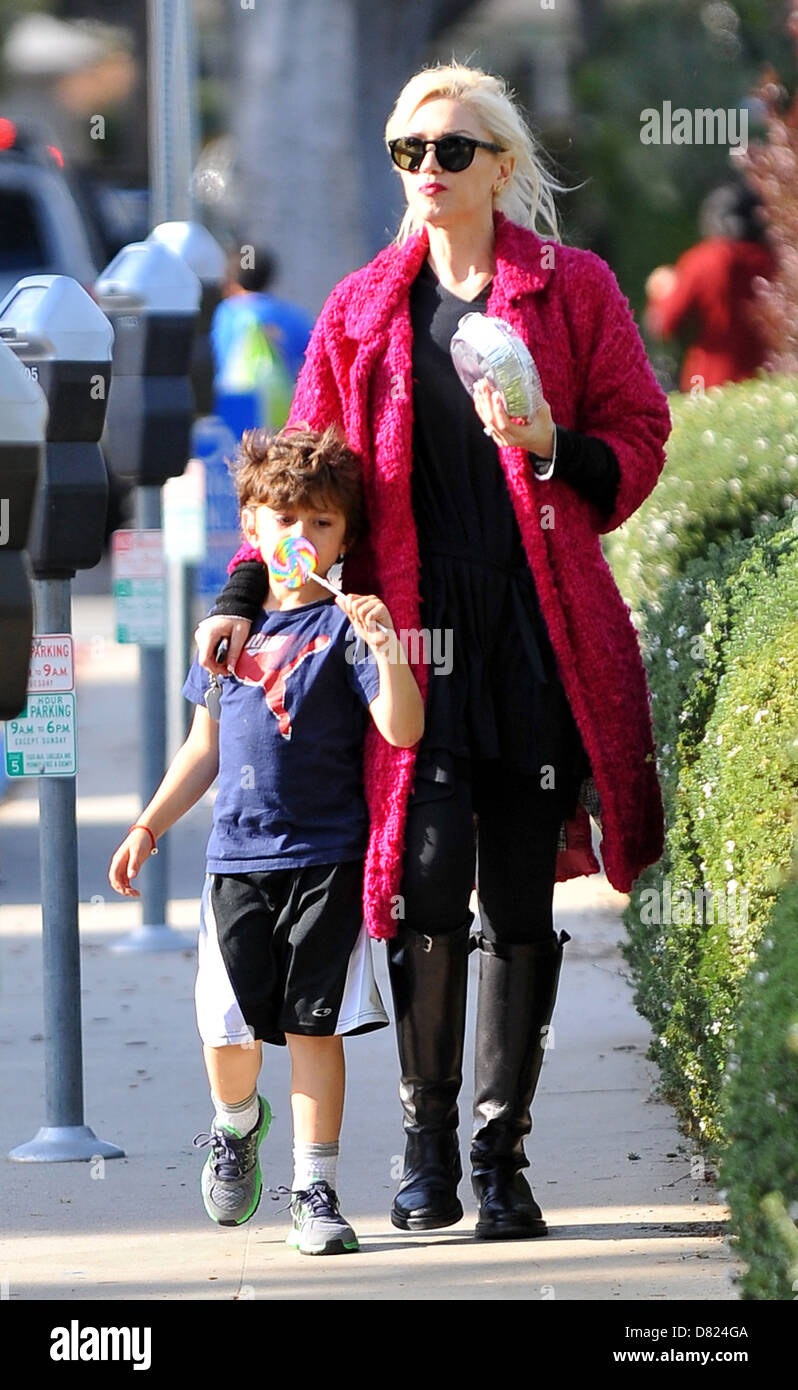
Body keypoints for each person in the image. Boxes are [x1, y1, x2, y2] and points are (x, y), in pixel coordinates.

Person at [195, 62, 672, 1241]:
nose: (426, 171)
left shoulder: (574, 292)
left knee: (517, 899)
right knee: (419, 893)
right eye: (409, 151)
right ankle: (424, 1148)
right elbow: (299, 476)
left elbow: (640, 433)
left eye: (451, 151)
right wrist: (245, 594)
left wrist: (557, 440)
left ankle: (500, 1158)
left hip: (538, 626)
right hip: (407, 636)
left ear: (501, 166)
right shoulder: (365, 308)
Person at [109, 425, 424, 1255]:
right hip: (236, 864)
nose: (302, 538)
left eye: (322, 524)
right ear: (252, 528)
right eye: (284, 520)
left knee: (313, 1030)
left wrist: (390, 651)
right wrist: (148, 824)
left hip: (325, 860)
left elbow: (402, 728)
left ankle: (314, 1190)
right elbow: (201, 748)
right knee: (228, 1033)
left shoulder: (350, 629)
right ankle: (236, 1121)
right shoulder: (227, 637)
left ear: (346, 538)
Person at [645, 182, 776, 392]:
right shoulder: (774, 261)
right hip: (767, 376)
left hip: (708, 381)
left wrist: (661, 291)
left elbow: (664, 323)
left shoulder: (704, 260)